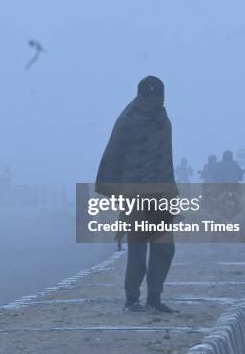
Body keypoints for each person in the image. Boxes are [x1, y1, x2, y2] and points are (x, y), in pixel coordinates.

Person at [96, 76, 178, 313]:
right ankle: (132, 298)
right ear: (141, 96)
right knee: (138, 251)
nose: (153, 102)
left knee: (165, 249)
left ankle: (155, 297)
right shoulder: (127, 121)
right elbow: (113, 156)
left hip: (161, 194)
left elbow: (166, 159)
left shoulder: (164, 121)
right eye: (148, 97)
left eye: (157, 96)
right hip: (134, 196)